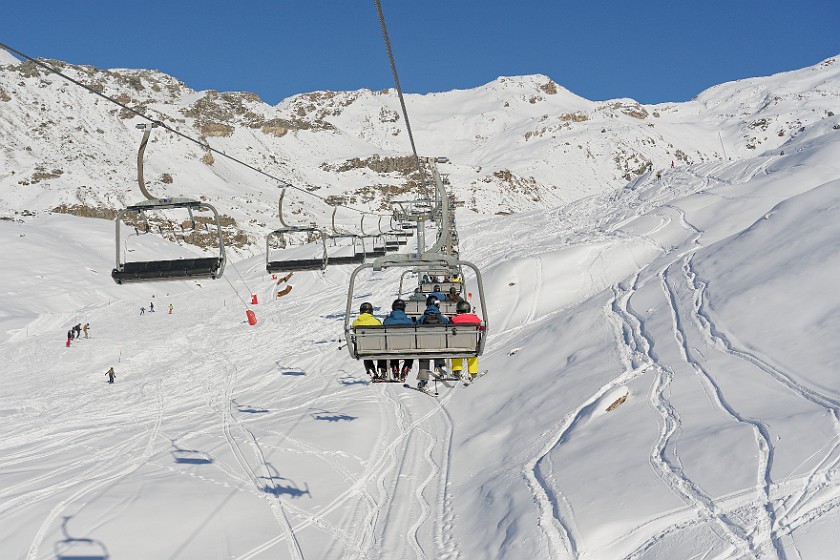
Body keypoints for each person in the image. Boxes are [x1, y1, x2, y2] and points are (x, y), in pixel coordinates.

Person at [416, 296, 450, 389]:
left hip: (424, 346)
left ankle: (423, 381)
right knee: (439, 349)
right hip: (439, 345)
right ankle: (438, 368)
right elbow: (448, 325)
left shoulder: (422, 317)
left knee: (424, 357)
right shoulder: (442, 317)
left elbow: (416, 327)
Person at [352, 302, 387, 379]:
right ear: (371, 311)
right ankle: (381, 368)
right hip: (377, 346)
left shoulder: (356, 322)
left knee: (365, 353)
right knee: (381, 354)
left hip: (363, 347)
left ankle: (370, 368)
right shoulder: (376, 321)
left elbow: (354, 331)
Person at [449, 301, 483, 381]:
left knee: (456, 354)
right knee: (472, 355)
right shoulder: (475, 318)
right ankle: (473, 372)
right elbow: (482, 327)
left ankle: (457, 371)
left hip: (457, 344)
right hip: (472, 344)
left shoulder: (454, 319)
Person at [383, 299, 414, 381]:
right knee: (410, 355)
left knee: (394, 350)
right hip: (407, 346)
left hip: (392, 346)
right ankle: (406, 366)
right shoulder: (409, 321)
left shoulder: (387, 321)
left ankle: (395, 367)